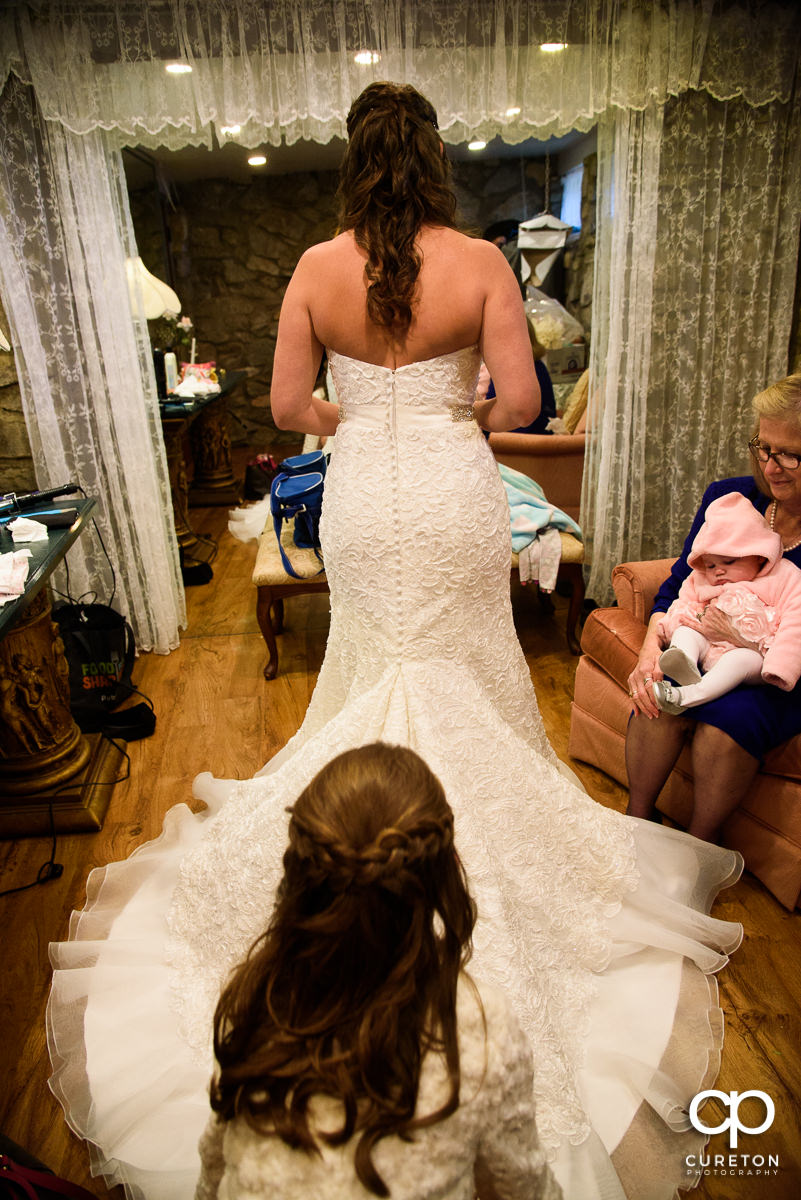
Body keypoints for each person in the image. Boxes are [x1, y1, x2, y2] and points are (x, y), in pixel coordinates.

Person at [47, 82, 743, 1200]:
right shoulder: (479, 262)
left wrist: (356, 415)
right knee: (462, 665)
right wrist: (450, 408)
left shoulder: (315, 269)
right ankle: (457, 856)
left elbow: (287, 406)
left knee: (374, 663)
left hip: (367, 495)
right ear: (432, 162)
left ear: (352, 162)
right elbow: (521, 399)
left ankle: (356, 847)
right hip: (456, 493)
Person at [195, 743, 560, 1200]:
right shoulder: (480, 1027)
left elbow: (213, 1172)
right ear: (441, 881)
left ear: (299, 878)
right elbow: (523, 1191)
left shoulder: (254, 998)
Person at [626, 372, 801, 841]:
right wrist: (650, 651)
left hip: (779, 675)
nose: (771, 466)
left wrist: (745, 642)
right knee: (660, 693)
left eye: (789, 454)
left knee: (731, 721)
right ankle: (636, 824)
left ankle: (699, 850)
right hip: (701, 647)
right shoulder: (730, 499)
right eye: (764, 448)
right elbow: (679, 584)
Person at [653, 491, 801, 713]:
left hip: (751, 656)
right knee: (685, 632)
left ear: (758, 554)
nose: (718, 571)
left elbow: (796, 623)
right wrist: (669, 628)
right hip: (707, 647)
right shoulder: (701, 578)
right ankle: (684, 661)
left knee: (738, 661)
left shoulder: (784, 577)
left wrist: (780, 666)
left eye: (729, 561)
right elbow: (682, 603)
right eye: (711, 565)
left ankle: (686, 695)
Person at [478, 320, 557, 436]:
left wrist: (465, 413)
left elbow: (516, 414)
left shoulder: (511, 369)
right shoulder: (538, 365)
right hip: (537, 434)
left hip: (519, 438)